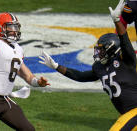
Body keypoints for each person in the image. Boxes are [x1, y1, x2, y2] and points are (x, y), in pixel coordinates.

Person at [39, 0, 137, 130]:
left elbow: (125, 41)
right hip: (126, 114)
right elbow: (81, 76)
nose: (98, 53)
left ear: (111, 49)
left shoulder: (126, 61)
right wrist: (57, 67)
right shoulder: (100, 68)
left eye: (101, 50)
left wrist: (117, 20)